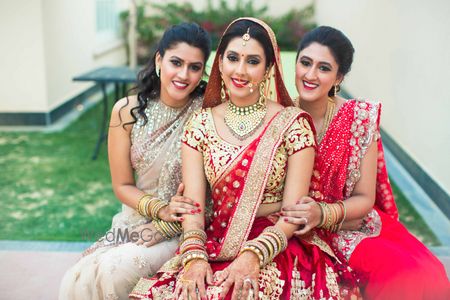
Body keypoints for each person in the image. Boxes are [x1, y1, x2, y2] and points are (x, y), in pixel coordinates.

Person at [130, 18, 359, 300]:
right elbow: (193, 207)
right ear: (220, 63)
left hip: (277, 242)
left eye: (252, 61)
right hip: (215, 240)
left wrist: (253, 255)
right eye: (233, 58)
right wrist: (194, 257)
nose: (240, 70)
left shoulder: (292, 124)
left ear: (268, 69)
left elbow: (293, 213)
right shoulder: (200, 124)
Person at [282, 25, 449, 299]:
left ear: (339, 77)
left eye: (324, 68)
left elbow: (364, 197)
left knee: (422, 274)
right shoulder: (279, 115)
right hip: (291, 226)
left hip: (346, 224)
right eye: (305, 62)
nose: (310, 75)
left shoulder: (359, 118)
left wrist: (322, 214)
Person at [59, 23, 212, 300]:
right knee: (78, 279)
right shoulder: (126, 111)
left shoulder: (208, 113)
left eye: (194, 67)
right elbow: (122, 185)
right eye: (176, 62)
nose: (183, 75)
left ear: (203, 72)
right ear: (158, 60)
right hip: (134, 223)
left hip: (183, 228)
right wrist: (160, 209)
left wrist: (171, 216)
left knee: (115, 271)